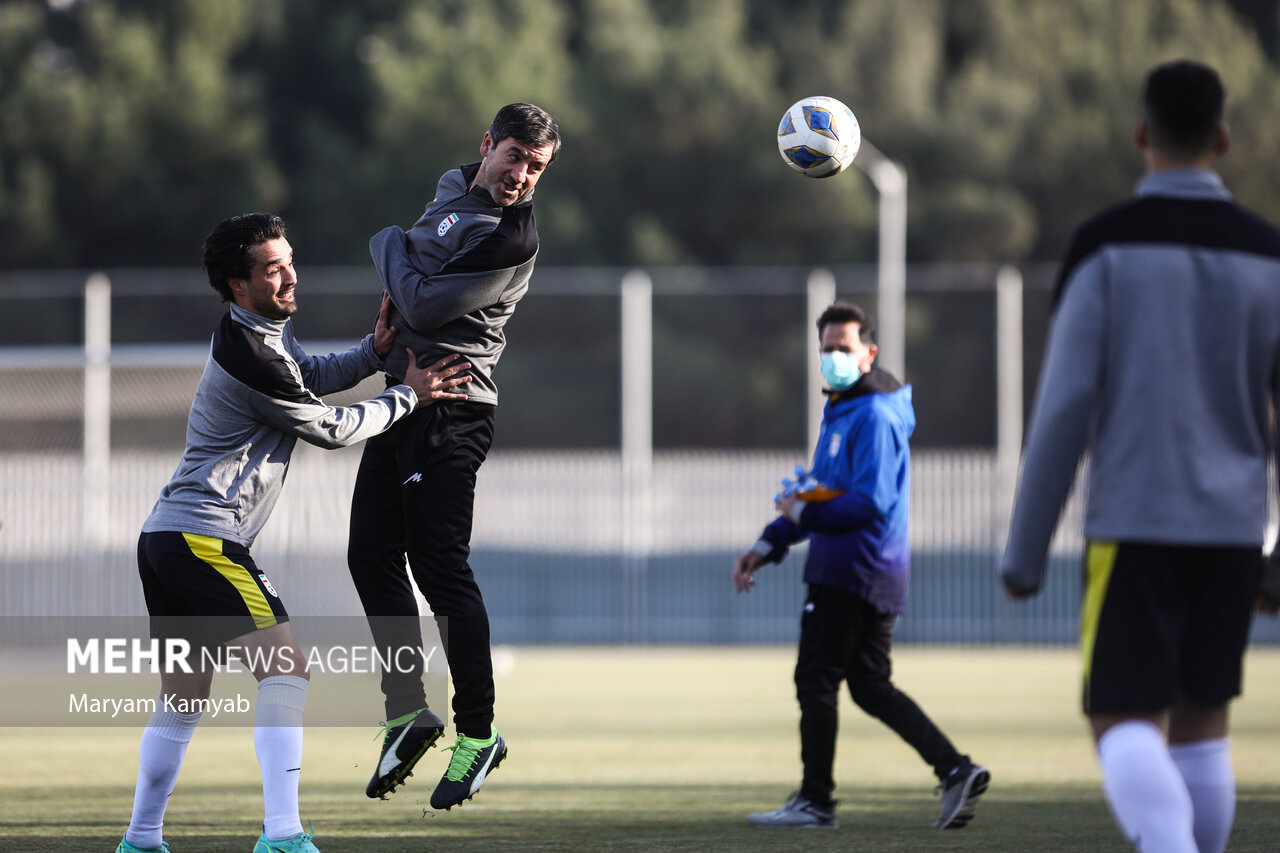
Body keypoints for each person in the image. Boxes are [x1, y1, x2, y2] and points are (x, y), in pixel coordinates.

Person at [117, 213, 471, 853]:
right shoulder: (253, 352)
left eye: (288, 261)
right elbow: (329, 428)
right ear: (237, 284)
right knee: (287, 671)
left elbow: (306, 376)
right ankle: (282, 835)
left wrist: (373, 352)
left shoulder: (256, 333)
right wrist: (410, 396)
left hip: (168, 538)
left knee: (183, 699)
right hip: (205, 538)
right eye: (270, 269)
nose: (287, 276)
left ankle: (142, 840)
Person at [1000, 60, 1280, 853]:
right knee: (1201, 729)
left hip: (1135, 521)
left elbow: (1063, 409)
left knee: (1121, 720)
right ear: (1223, 138)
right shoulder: (1270, 254)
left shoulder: (1103, 246)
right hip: (1231, 533)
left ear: (1140, 134)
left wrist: (1024, 552)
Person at [347, 103, 561, 810]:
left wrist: (384, 243)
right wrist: (404, 271)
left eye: (536, 168)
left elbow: (422, 302)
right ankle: (408, 709)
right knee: (370, 553)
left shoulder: (514, 238)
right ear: (487, 146)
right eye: (515, 158)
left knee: (439, 564)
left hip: (455, 409)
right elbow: (415, 284)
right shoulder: (452, 184)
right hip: (404, 394)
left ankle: (479, 730)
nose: (521, 176)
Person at [732, 301, 989, 830]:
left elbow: (867, 501)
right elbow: (821, 497)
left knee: (816, 678)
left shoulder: (871, 414)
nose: (832, 359)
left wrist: (802, 512)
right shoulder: (846, 410)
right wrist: (769, 541)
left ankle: (816, 801)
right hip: (868, 567)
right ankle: (955, 769)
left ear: (868, 354)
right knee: (870, 685)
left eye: (843, 350)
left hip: (854, 569)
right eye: (825, 350)